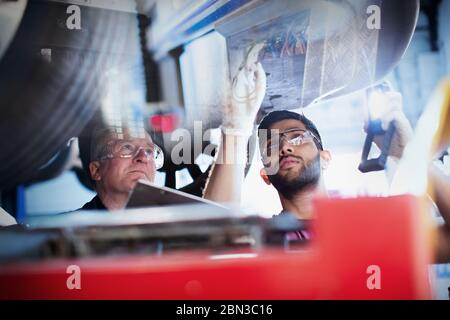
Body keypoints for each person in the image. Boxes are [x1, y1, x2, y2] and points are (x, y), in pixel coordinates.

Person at [78, 127, 164, 210]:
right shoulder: (70, 224)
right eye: (127, 147)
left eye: (149, 151)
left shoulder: (172, 220)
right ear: (97, 170)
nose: (144, 157)